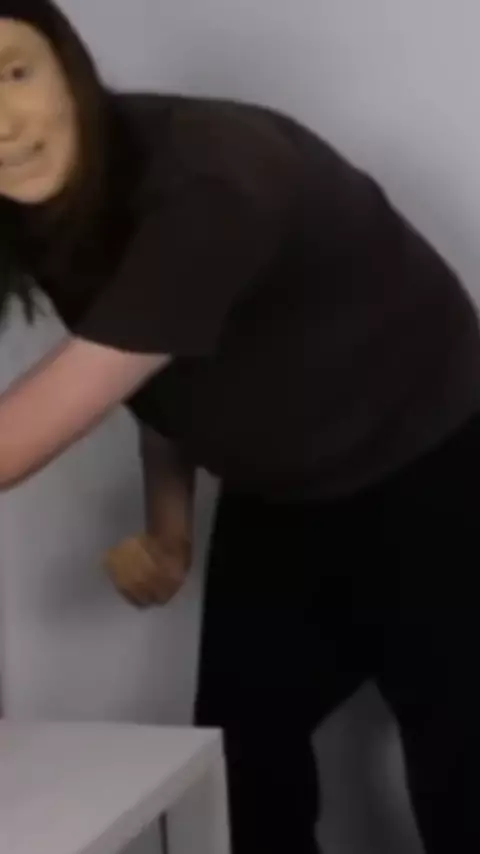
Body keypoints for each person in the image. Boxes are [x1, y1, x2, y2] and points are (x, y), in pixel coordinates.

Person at [0, 1, 479, 851]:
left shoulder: (212, 179)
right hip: (282, 496)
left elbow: (59, 405)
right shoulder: (54, 198)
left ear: (67, 63)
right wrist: (170, 528)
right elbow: (166, 364)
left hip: (439, 471)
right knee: (240, 766)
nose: (1, 123)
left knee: (462, 777)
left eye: (13, 71)